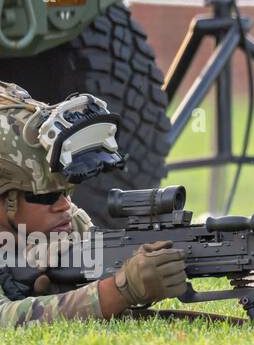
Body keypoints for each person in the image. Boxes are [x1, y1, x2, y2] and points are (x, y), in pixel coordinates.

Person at [0, 82, 187, 327]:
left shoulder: (69, 222)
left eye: (68, 191)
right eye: (46, 197)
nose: (64, 206)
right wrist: (120, 290)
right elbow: (5, 319)